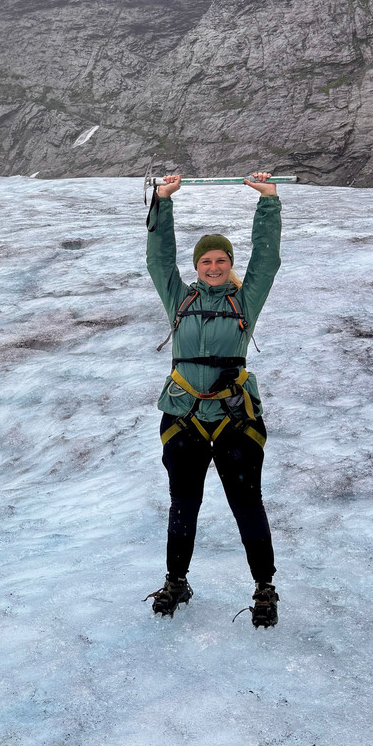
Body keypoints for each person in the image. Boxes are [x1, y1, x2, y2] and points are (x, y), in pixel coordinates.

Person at [143, 172, 283, 628]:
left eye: (221, 260)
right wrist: (163, 201)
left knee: (247, 504)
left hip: (234, 416)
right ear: (197, 265)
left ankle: (264, 587)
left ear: (229, 264)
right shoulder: (179, 299)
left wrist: (268, 201)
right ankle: (176, 581)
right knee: (183, 503)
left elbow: (267, 260)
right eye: (206, 260)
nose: (214, 266)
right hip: (183, 415)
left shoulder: (245, 301)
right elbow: (158, 258)